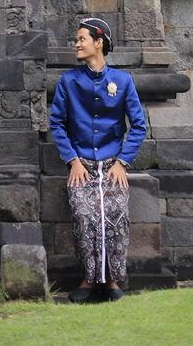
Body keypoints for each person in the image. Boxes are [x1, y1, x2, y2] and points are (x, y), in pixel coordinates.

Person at [49, 17, 147, 302]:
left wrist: (122, 162)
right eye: (77, 39)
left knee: (116, 217)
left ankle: (113, 281)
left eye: (82, 39)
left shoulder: (122, 81)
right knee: (83, 217)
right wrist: (72, 160)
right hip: (81, 164)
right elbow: (56, 123)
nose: (77, 44)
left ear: (98, 42)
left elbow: (138, 125)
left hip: (113, 164)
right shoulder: (68, 81)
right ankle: (89, 280)